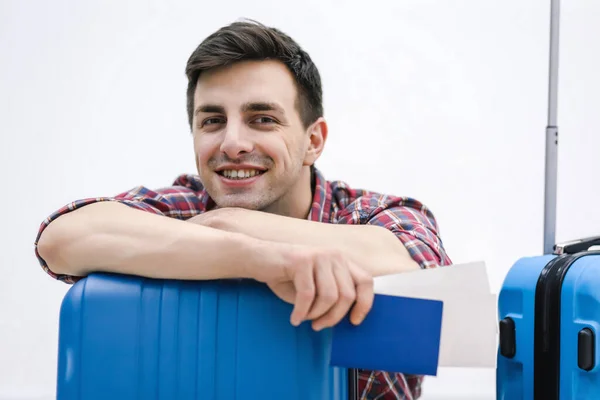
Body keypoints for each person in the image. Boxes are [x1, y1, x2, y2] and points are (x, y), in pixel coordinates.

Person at [34, 19, 452, 399]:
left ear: (314, 141)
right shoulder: (185, 205)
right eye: (212, 121)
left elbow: (432, 290)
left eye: (263, 119)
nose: (232, 142)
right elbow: (62, 239)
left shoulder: (372, 215)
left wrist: (228, 222)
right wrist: (258, 257)